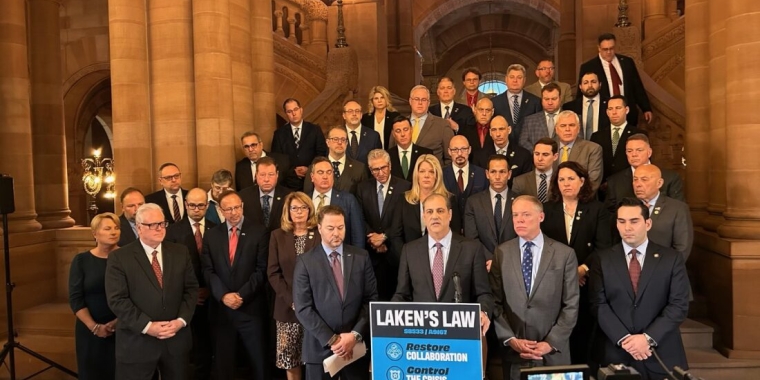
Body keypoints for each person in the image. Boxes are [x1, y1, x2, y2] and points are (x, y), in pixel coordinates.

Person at [589, 198, 689, 379]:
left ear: (648, 223)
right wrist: (625, 340)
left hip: (661, 354)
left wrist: (647, 338)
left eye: (634, 221)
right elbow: (598, 304)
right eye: (622, 222)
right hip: (617, 354)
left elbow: (678, 305)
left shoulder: (671, 258)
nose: (627, 227)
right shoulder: (601, 259)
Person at [489, 195, 579, 380]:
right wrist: (510, 339)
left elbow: (571, 305)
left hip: (553, 354)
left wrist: (550, 343)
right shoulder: (502, 252)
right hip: (515, 354)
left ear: (541, 217)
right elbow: (494, 301)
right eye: (515, 215)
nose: (519, 219)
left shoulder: (564, 254)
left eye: (526, 214)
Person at [105, 203, 198, 380]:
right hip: (137, 343)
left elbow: (191, 290)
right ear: (139, 228)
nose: (159, 228)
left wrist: (181, 321)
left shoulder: (180, 252)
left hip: (175, 340)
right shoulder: (119, 257)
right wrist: (148, 326)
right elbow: (117, 299)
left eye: (162, 223)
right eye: (152, 225)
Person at [293, 205, 378, 380]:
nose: (336, 233)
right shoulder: (305, 262)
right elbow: (303, 308)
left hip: (355, 348)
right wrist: (333, 340)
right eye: (330, 228)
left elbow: (371, 299)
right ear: (319, 228)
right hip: (319, 348)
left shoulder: (361, 257)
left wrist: (354, 335)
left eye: (341, 227)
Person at [541, 161, 612, 365]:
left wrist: (582, 270)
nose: (566, 183)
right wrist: (568, 274)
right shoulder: (546, 209)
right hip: (554, 282)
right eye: (561, 179)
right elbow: (544, 245)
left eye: (571, 178)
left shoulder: (597, 209)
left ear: (582, 181)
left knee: (582, 336)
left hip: (586, 283)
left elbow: (603, 246)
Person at [393, 193, 493, 333]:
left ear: (450, 214)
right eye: (429, 211)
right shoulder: (410, 250)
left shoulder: (472, 248)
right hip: (422, 333)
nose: (435, 216)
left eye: (440, 211)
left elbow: (484, 293)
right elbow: (402, 295)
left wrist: (483, 312)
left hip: (460, 333)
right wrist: (390, 315)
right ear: (424, 216)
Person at [201, 190, 270, 380]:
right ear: (221, 211)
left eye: (237, 207)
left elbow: (261, 269)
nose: (234, 212)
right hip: (222, 311)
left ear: (242, 206)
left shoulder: (259, 231)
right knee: (224, 366)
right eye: (228, 209)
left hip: (250, 308)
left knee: (259, 364)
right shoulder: (211, 235)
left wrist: (240, 296)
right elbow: (208, 270)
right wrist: (224, 296)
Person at [268, 192, 321, 380]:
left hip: (316, 308)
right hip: (287, 308)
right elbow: (273, 272)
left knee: (316, 358)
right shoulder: (277, 235)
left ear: (310, 209)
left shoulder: (319, 233)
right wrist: (292, 301)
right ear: (288, 211)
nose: (299, 212)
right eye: (294, 208)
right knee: (290, 359)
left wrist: (307, 302)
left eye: (303, 207)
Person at [164, 188, 216, 380]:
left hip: (212, 297)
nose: (196, 209)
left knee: (207, 345)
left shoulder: (216, 227)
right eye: (192, 205)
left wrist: (210, 289)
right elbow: (169, 269)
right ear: (186, 205)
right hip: (184, 300)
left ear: (207, 205)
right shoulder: (172, 231)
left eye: (200, 205)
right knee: (186, 348)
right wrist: (192, 294)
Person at [69, 212, 120, 380]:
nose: (114, 232)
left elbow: (138, 295)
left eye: (116, 228)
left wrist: (117, 323)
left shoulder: (128, 258)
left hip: (123, 328)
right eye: (107, 228)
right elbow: (76, 299)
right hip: (89, 330)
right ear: (94, 233)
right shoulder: (81, 260)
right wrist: (95, 327)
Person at [355, 149, 411, 300]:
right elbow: (360, 218)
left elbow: (404, 219)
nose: (380, 172)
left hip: (395, 252)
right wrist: (373, 239)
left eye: (383, 167)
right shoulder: (362, 188)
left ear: (390, 165)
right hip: (371, 252)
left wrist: (384, 237)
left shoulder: (404, 187)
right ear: (370, 170)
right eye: (375, 169)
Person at [577, 33, 652, 126]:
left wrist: (646, 108)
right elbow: (581, 93)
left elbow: (637, 86)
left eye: (611, 48)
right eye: (605, 49)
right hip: (603, 116)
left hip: (627, 115)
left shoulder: (627, 62)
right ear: (599, 48)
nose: (609, 52)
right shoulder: (588, 67)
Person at [604, 133, 684, 212]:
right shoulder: (614, 181)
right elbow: (610, 215)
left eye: (639, 150)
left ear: (649, 152)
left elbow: (678, 210)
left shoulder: (670, 178)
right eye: (629, 151)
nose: (634, 154)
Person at [632, 164, 693, 260]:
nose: (638, 184)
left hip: (663, 269)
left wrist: (667, 269)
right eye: (635, 179)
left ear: (659, 183)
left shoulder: (677, 208)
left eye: (644, 179)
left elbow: (682, 248)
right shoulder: (627, 207)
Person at [464, 154, 517, 264]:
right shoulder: (473, 202)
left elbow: (523, 235)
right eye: (493, 172)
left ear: (509, 174)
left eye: (502, 172)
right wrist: (489, 258)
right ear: (487, 174)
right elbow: (471, 237)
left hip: (513, 263)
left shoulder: (520, 201)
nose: (497, 177)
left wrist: (505, 260)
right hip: (483, 264)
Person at [271, 98, 328, 191]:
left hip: (312, 182)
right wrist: (293, 172)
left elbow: (322, 153)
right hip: (289, 184)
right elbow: (277, 159)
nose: (294, 113)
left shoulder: (315, 130)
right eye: (289, 111)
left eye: (296, 109)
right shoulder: (279, 134)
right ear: (286, 114)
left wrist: (309, 168)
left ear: (301, 110)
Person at [400, 154, 461, 242]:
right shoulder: (404, 199)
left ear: (437, 175)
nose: (426, 176)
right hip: (409, 253)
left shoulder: (449, 199)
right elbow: (396, 234)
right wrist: (407, 254)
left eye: (431, 172)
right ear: (417, 175)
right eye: (422, 171)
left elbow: (455, 233)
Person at [308, 156, 365, 248]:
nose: (325, 176)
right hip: (310, 256)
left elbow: (357, 235)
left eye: (329, 172)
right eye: (320, 172)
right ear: (312, 177)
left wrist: (356, 259)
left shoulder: (348, 200)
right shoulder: (305, 199)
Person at [391, 85, 454, 166]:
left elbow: (450, 158)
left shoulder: (442, 125)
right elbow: (392, 152)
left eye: (424, 100)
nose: (420, 103)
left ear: (429, 103)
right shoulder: (399, 125)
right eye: (416, 99)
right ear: (410, 101)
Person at [590, 95, 644, 182]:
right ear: (607, 112)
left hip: (629, 184)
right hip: (603, 186)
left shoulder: (638, 134)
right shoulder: (597, 136)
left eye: (618, 108)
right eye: (610, 109)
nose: (614, 112)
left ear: (627, 110)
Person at [304, 126, 367, 195]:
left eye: (343, 139)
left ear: (346, 143)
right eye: (335, 139)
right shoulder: (315, 167)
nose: (339, 142)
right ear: (328, 142)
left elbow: (363, 197)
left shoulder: (359, 168)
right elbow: (308, 196)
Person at [472, 115, 533, 184]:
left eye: (501, 129)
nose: (498, 134)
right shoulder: (479, 156)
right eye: (494, 130)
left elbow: (526, 183)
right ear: (490, 133)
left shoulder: (523, 155)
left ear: (509, 130)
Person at [492, 64, 543, 144]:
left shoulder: (535, 102)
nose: (515, 80)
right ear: (506, 79)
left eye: (519, 77)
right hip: (503, 149)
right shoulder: (495, 102)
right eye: (512, 77)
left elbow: (538, 129)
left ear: (524, 80)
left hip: (528, 150)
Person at [442, 135, 488, 225]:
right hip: (450, 228)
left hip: (477, 227)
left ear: (469, 150)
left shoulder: (482, 174)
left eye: (463, 149)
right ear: (449, 152)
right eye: (455, 150)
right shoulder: (441, 175)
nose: (459, 154)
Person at [553, 110, 603, 191]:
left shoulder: (593, 149)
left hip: (581, 199)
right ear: (556, 129)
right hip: (552, 199)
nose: (567, 129)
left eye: (572, 125)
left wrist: (570, 198)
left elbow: (593, 181)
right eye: (563, 126)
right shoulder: (548, 148)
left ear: (578, 128)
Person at [239, 156, 293, 231]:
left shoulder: (289, 196)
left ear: (277, 174)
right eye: (262, 175)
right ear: (256, 175)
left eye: (271, 174)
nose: (266, 179)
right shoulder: (244, 196)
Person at [562, 72, 609, 140]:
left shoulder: (609, 104)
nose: (590, 85)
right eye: (586, 83)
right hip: (579, 147)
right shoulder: (569, 107)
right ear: (580, 86)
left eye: (593, 82)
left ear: (600, 84)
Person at [386, 115, 433, 182]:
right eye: (398, 131)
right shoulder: (387, 156)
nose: (402, 134)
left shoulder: (426, 154)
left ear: (411, 130)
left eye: (405, 129)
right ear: (393, 134)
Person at [519, 83, 564, 152]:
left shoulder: (571, 119)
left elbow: (578, 141)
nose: (550, 102)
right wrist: (539, 153)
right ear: (542, 99)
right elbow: (523, 142)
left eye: (554, 99)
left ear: (560, 99)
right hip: (537, 160)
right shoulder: (530, 120)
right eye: (546, 99)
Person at [342, 99, 381, 166]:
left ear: (361, 115)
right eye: (350, 111)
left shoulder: (373, 136)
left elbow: (378, 162)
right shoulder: (336, 135)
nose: (354, 114)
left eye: (357, 111)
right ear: (344, 115)